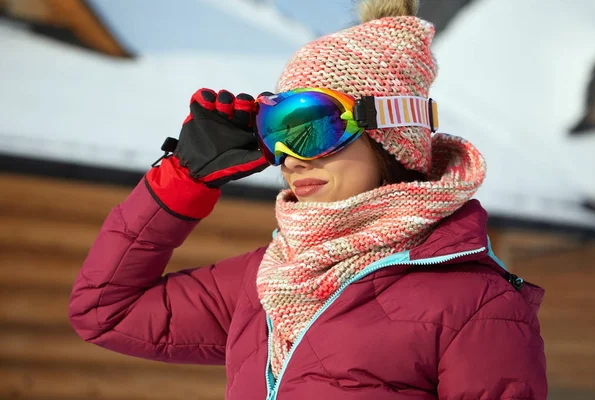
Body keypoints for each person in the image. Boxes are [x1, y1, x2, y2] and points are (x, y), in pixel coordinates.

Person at [68, 0, 547, 398]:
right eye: (275, 130)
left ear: (389, 137)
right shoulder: (269, 279)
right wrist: (185, 178)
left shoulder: (478, 305)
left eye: (311, 126)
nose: (289, 160)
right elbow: (105, 312)